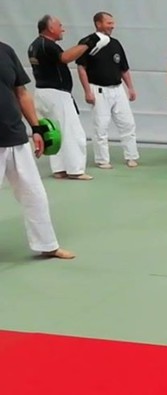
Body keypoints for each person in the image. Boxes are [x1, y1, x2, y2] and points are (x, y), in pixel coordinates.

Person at [1, 40, 74, 260]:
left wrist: (36, 128)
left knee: (35, 194)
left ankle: (47, 245)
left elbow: (21, 92)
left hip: (15, 136)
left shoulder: (5, 50)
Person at [28, 15, 107, 181]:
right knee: (72, 132)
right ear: (50, 28)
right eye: (60, 26)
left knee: (56, 132)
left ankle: (59, 169)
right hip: (56, 94)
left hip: (43, 92)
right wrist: (88, 43)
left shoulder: (34, 45)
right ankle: (75, 170)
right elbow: (65, 57)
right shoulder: (47, 45)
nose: (62, 29)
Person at [76, 11, 140, 169]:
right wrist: (87, 91)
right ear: (98, 24)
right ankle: (102, 160)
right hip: (98, 89)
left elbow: (123, 68)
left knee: (128, 124)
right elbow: (81, 68)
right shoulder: (88, 42)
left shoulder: (115, 43)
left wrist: (130, 88)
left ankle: (131, 156)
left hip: (117, 89)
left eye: (112, 23)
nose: (112, 26)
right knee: (101, 126)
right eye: (109, 23)